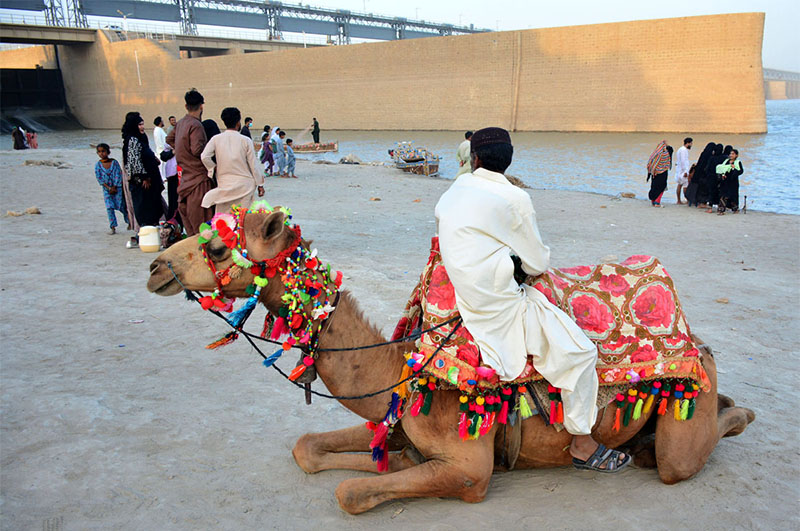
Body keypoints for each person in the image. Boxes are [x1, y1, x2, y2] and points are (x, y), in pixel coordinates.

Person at [435, 127, 629, 472]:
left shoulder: (453, 191)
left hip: (466, 294)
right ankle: (583, 444)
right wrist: (516, 263)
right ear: (509, 161)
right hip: (498, 307)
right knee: (581, 354)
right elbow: (538, 262)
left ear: (474, 158)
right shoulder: (514, 199)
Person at [200, 107, 265, 215]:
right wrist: (260, 184)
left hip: (225, 185)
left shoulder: (216, 139)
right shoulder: (246, 140)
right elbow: (253, 165)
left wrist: (213, 168)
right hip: (245, 186)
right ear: (238, 122)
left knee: (224, 221)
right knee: (242, 220)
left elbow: (204, 156)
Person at [166, 89, 211, 236]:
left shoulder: (181, 123)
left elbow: (170, 139)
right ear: (202, 106)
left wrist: (180, 151)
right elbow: (198, 150)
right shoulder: (196, 125)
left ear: (186, 106)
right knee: (202, 226)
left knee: (190, 224)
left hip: (185, 178)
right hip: (198, 178)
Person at [122, 112, 164, 246]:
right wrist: (144, 177)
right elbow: (134, 162)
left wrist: (154, 158)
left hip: (150, 180)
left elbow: (145, 153)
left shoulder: (140, 137)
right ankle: (145, 237)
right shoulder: (133, 139)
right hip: (141, 183)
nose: (142, 127)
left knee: (152, 208)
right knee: (144, 208)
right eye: (140, 124)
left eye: (143, 124)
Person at [94, 143, 130, 235]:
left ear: (108, 152)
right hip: (107, 190)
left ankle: (129, 222)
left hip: (117, 189)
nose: (101, 153)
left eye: (103, 151)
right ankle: (113, 227)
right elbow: (99, 178)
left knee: (122, 207)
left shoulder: (114, 163)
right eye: (99, 152)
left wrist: (115, 187)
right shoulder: (98, 165)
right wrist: (108, 188)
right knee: (109, 208)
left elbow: (119, 175)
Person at [687, 142, 715, 207]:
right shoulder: (710, 156)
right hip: (704, 175)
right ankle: (702, 203)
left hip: (698, 174)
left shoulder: (703, 154)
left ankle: (695, 202)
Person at [704, 144, 730, 213]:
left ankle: (710, 208)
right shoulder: (724, 158)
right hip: (720, 177)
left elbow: (707, 168)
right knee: (720, 192)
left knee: (711, 192)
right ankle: (720, 206)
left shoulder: (712, 158)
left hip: (711, 178)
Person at [716, 148, 743, 215]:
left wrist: (734, 168)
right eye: (730, 154)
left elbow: (740, 171)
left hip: (733, 182)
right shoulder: (726, 161)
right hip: (725, 181)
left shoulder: (738, 162)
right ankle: (721, 210)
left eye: (733, 154)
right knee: (723, 195)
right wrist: (722, 175)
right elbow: (721, 169)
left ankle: (735, 209)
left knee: (733, 195)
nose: (731, 155)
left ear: (736, 155)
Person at [646, 141, 673, 207]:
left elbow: (651, 163)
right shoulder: (665, 154)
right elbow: (667, 164)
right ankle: (657, 202)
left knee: (654, 187)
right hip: (663, 173)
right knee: (662, 187)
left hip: (654, 173)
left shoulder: (655, 154)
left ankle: (653, 201)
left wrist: (652, 171)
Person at [674, 137, 692, 204]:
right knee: (685, 186)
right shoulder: (684, 150)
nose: (691, 145)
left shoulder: (680, 149)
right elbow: (683, 161)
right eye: (691, 143)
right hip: (683, 171)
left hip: (679, 170)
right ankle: (687, 200)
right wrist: (686, 172)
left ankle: (678, 200)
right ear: (688, 143)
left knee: (679, 184)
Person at [153, 116, 168, 182]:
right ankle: (162, 177)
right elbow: (159, 141)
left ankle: (164, 177)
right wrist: (162, 149)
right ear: (160, 122)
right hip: (161, 150)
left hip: (164, 149)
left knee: (164, 165)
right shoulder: (157, 130)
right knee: (161, 165)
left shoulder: (160, 129)